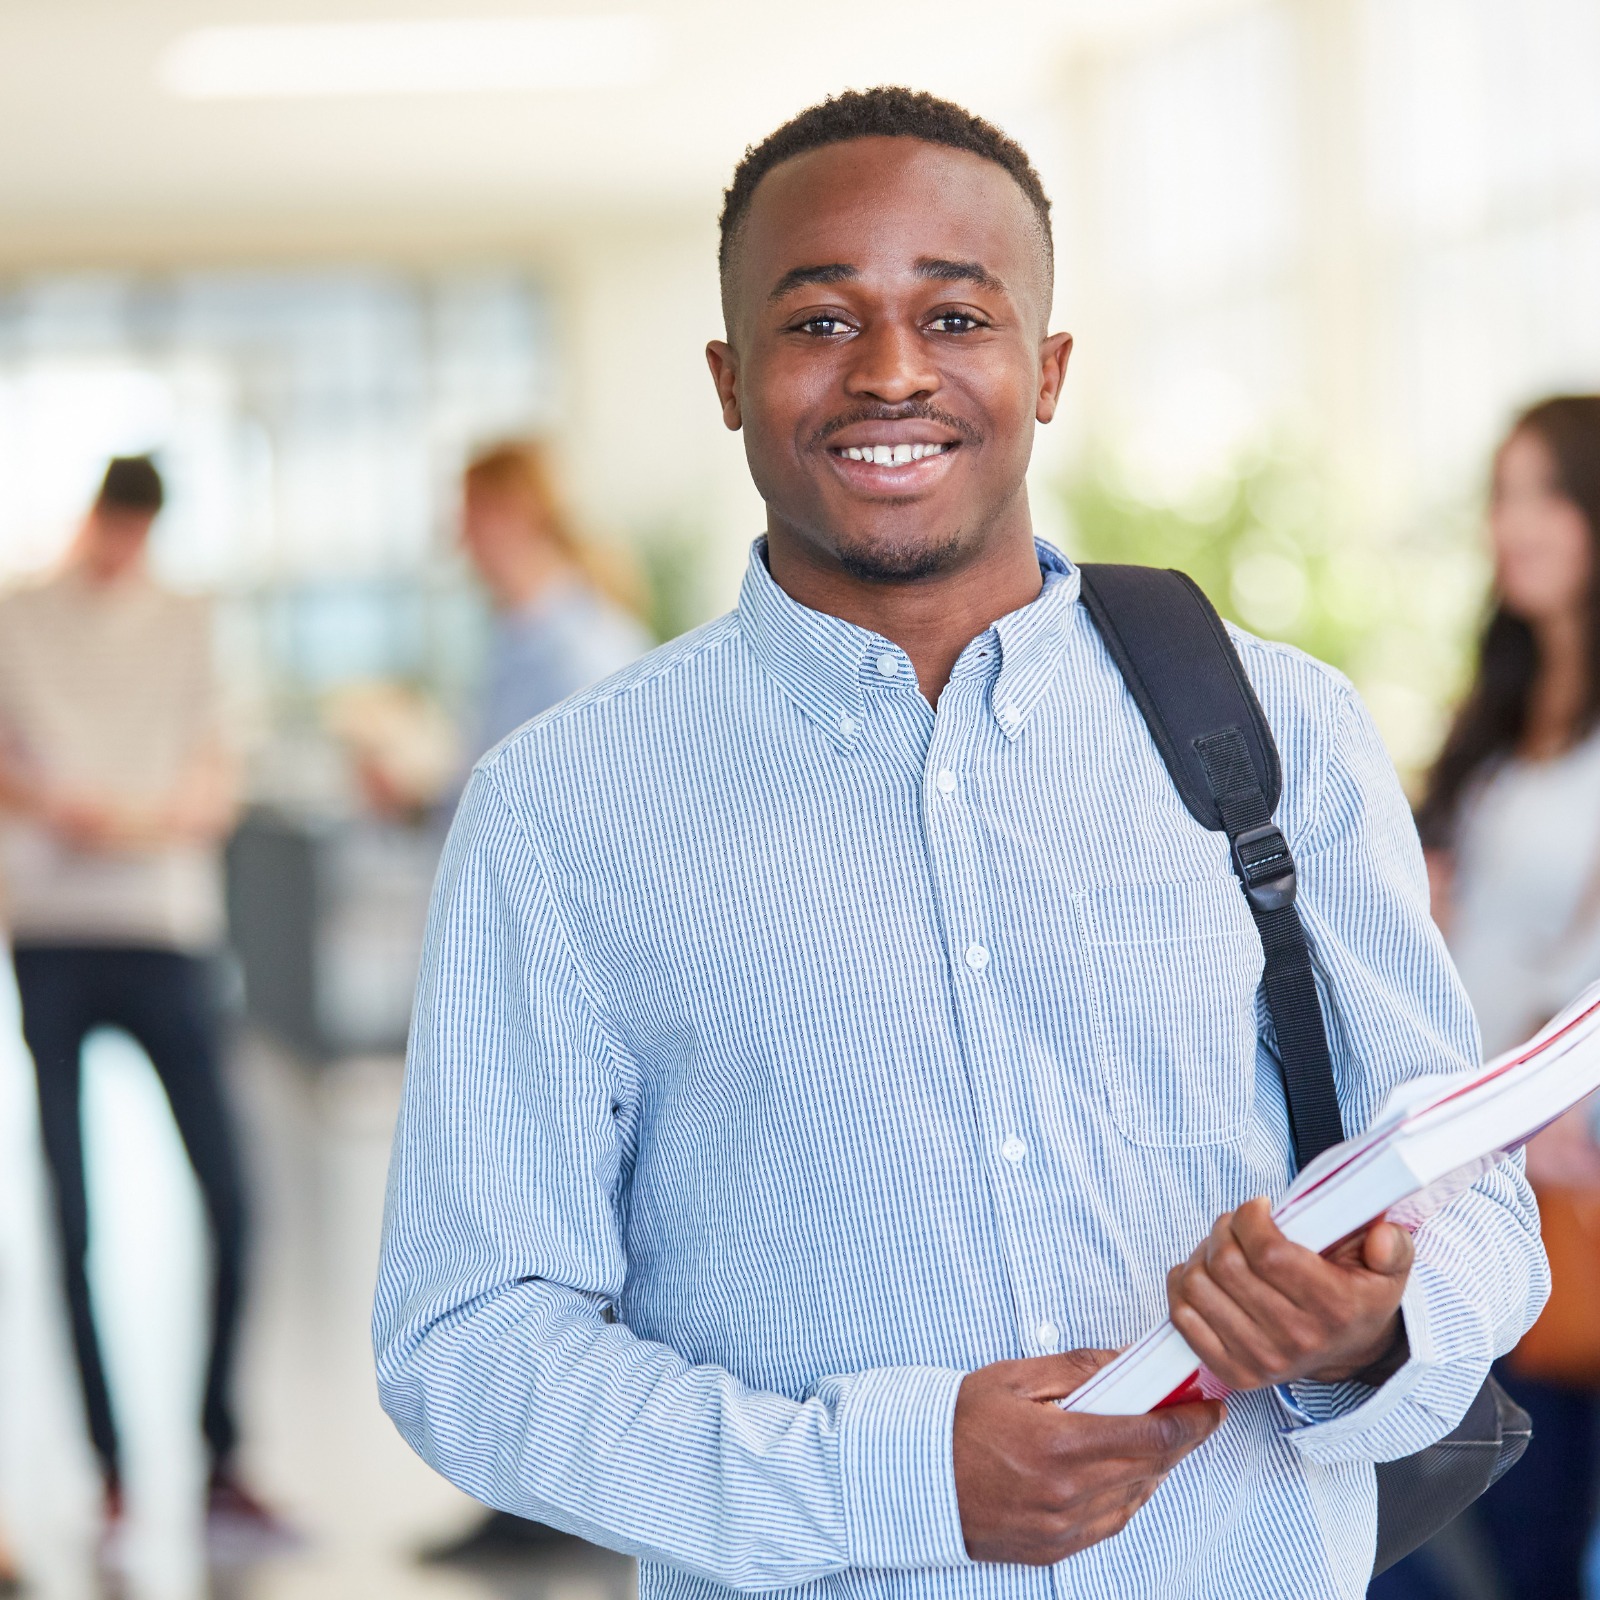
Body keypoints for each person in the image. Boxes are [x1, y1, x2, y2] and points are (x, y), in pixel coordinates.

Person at [373, 89, 1548, 1599]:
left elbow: (1472, 1202)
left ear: (1045, 368)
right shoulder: (564, 811)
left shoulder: (1282, 727)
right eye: (816, 325)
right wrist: (892, 1476)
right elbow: (469, 1340)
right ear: (730, 380)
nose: (889, 374)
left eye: (956, 315)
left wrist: (1371, 1323)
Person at [0, 456, 281, 1546]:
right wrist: (65, 803)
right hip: (55, 937)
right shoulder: (21, 618)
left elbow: (213, 776)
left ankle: (220, 1452)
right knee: (69, 1212)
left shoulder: (192, 623)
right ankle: (111, 1469)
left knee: (232, 1200)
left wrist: (153, 815)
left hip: (165, 932)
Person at [415, 447, 651, 1566]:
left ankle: (574, 1503)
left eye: (468, 513)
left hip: (592, 987)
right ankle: (536, 1492)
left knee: (576, 1241)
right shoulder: (520, 643)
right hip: (520, 971)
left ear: (510, 512)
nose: (457, 536)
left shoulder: (579, 645)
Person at [1397, 396, 1600, 1600]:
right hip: (1454, 1164)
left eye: (1544, 493)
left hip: (1553, 1169)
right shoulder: (1498, 718)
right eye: (1500, 495)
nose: (1510, 524)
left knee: (1504, 1534)